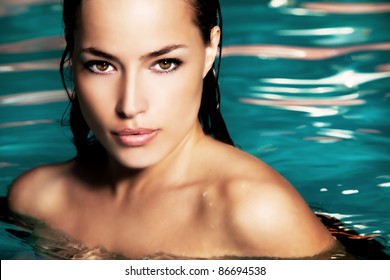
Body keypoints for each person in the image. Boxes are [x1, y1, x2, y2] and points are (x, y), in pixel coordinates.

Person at [7, 0, 336, 259]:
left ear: (210, 50)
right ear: (74, 59)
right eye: (101, 65)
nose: (130, 105)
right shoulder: (36, 200)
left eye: (164, 64)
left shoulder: (256, 212)